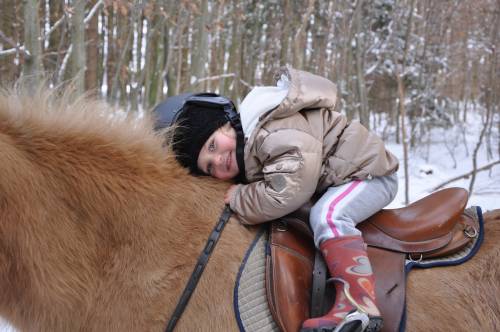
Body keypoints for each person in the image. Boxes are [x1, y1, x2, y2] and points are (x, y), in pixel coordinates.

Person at [154, 67, 399, 332]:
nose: (218, 160)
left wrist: (243, 197)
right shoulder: (251, 149)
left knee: (328, 216)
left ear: (228, 123)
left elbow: (292, 186)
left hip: (369, 174)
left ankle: (358, 303)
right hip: (344, 176)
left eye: (213, 145)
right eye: (209, 166)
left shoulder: (269, 130)